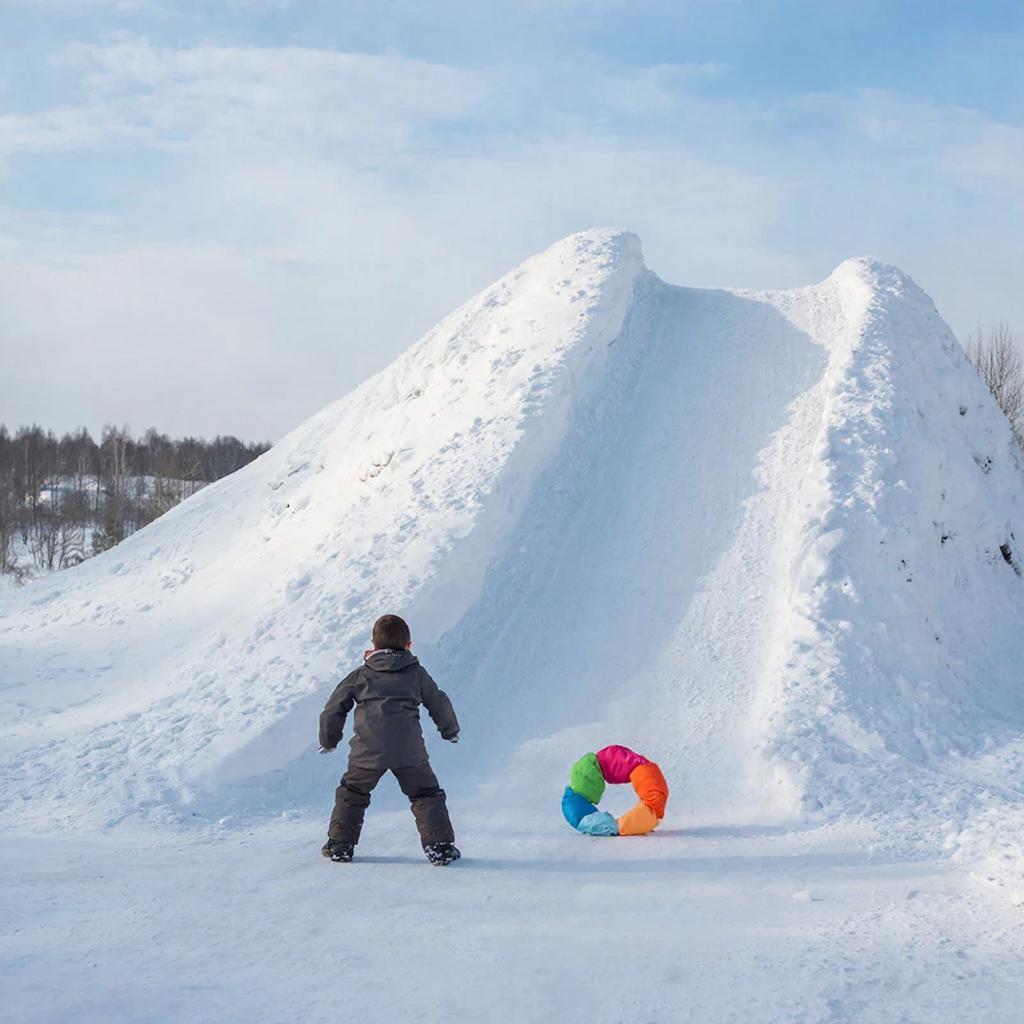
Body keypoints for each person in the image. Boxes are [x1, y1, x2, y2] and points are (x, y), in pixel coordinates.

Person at [318, 614, 461, 866]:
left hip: (367, 752)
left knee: (353, 792)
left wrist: (329, 740)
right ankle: (439, 847)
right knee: (425, 794)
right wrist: (449, 730)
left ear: (373, 646)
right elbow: (438, 702)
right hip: (409, 752)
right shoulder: (416, 674)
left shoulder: (361, 675)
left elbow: (334, 708)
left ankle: (340, 844)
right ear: (409, 646)